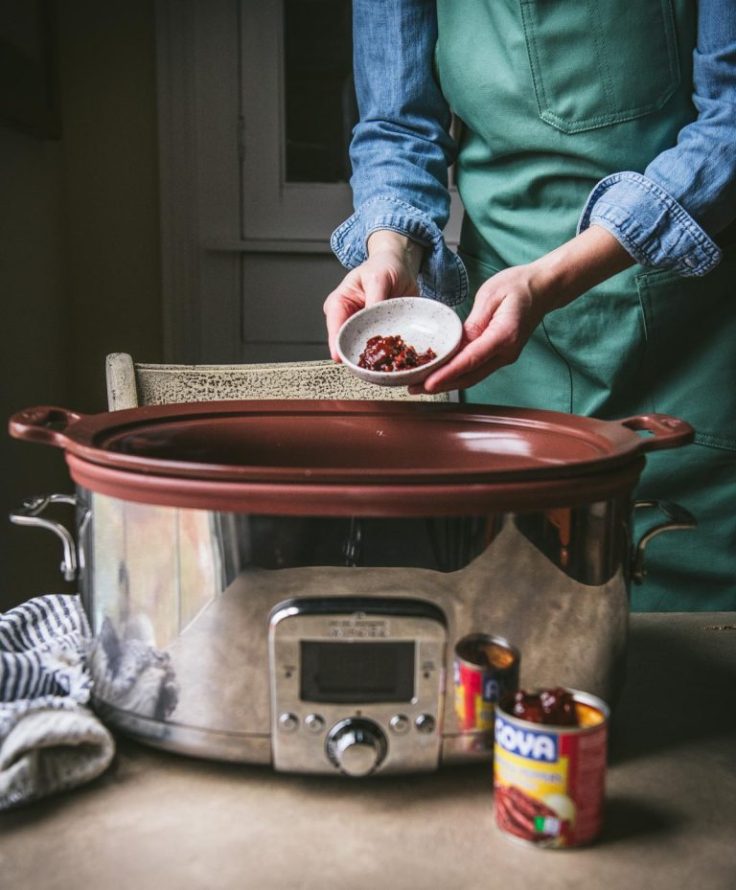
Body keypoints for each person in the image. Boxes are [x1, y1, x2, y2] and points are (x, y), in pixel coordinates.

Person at [323, 0, 736, 611]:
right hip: (504, 347)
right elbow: (397, 126)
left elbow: (729, 123)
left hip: (692, 336)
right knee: (520, 615)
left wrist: (547, 282)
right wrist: (391, 248)